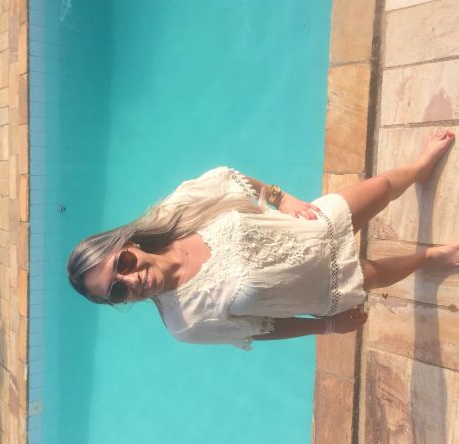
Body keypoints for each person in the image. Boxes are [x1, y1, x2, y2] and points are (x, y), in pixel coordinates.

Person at [67, 130, 457, 350]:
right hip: (320, 286)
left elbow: (225, 176)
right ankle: (432, 257)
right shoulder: (185, 324)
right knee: (376, 273)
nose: (131, 280)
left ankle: (420, 167)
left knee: (383, 187)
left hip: (314, 226)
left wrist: (279, 198)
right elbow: (262, 328)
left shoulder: (175, 214)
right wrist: (327, 327)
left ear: (128, 245)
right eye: (116, 291)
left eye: (121, 265)